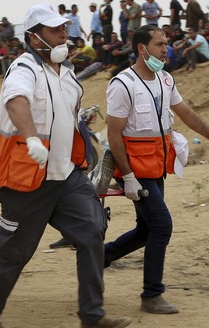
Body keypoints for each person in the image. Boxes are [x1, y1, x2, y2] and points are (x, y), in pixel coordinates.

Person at [0, 4, 132, 328]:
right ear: (35, 38)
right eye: (54, 29)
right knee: (16, 254)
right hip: (27, 179)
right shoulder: (24, 67)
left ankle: (92, 315)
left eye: (63, 27)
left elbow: (72, 117)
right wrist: (32, 139)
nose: (63, 32)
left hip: (66, 176)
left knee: (91, 232)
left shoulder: (68, 74)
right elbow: (16, 100)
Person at [105, 24, 209, 315]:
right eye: (160, 44)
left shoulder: (165, 80)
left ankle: (98, 257)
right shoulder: (122, 84)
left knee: (145, 230)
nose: (167, 49)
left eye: (167, 43)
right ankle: (152, 296)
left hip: (156, 166)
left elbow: (187, 114)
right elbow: (114, 135)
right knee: (161, 226)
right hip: (135, 169)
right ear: (142, 48)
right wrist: (126, 177)